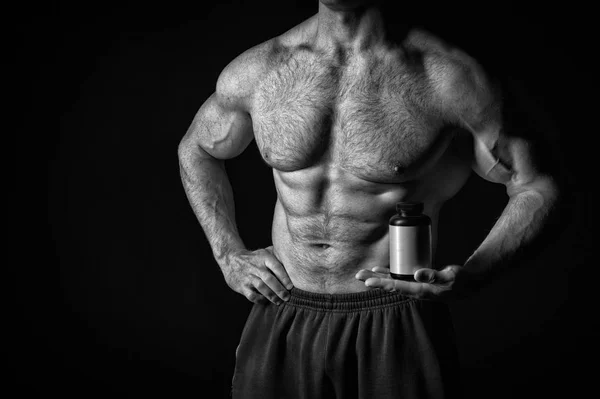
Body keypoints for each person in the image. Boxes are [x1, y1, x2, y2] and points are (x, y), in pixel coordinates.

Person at [178, 0, 561, 397]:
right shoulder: (260, 69)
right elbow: (197, 149)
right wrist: (228, 255)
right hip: (282, 309)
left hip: (394, 318)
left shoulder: (446, 77)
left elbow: (537, 186)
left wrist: (475, 274)